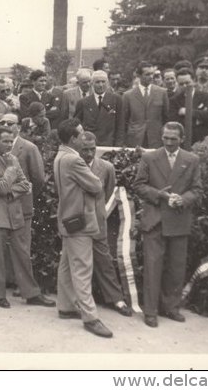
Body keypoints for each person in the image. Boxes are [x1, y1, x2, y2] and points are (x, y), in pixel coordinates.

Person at [132, 122, 202, 328]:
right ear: (161, 137)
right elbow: (138, 185)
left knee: (176, 267)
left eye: (174, 139)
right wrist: (159, 195)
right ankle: (151, 311)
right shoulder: (149, 157)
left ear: (182, 139)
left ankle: (171, 307)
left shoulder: (192, 160)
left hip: (179, 219)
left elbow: (197, 189)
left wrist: (184, 199)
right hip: (155, 219)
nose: (169, 143)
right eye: (165, 138)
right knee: (153, 267)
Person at [0, 127, 55, 309]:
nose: (9, 145)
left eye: (11, 141)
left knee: (22, 254)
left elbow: (26, 184)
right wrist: (12, 170)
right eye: (5, 141)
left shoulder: (12, 159)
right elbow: (2, 187)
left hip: (15, 213)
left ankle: (31, 293)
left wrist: (11, 193)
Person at [53, 119, 113, 338]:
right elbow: (97, 186)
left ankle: (66, 306)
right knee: (82, 269)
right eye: (80, 135)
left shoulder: (61, 155)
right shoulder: (74, 160)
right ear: (72, 139)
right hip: (80, 221)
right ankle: (90, 317)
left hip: (67, 219)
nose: (83, 136)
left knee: (67, 266)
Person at [77, 132, 133, 317]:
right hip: (75, 220)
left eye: (92, 149)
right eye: (84, 149)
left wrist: (97, 212)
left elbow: (108, 194)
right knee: (76, 259)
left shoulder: (107, 167)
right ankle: (75, 299)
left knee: (104, 259)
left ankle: (115, 298)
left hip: (97, 221)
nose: (88, 153)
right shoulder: (72, 164)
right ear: (78, 148)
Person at [0, 113, 45, 292]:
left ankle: (21, 284)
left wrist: (26, 195)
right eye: (2, 123)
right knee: (4, 244)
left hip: (21, 204)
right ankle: (8, 279)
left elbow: (38, 178)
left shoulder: (29, 148)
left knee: (22, 245)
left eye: (10, 123)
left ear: (18, 126)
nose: (6, 125)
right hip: (1, 204)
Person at [122, 61, 170, 148]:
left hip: (156, 138)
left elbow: (166, 117)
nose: (151, 77)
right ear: (139, 75)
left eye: (152, 74)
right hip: (135, 139)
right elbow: (124, 121)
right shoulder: (128, 95)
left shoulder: (162, 92)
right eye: (147, 74)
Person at [74, 70, 125, 147]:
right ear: (92, 84)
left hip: (109, 144)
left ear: (107, 83)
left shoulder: (116, 100)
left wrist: (118, 145)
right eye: (97, 82)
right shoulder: (83, 102)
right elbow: (77, 125)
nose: (101, 85)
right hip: (90, 145)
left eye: (103, 82)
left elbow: (120, 125)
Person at [169, 68, 208, 146]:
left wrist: (188, 112)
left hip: (203, 138)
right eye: (181, 84)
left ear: (194, 80)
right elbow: (174, 121)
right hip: (184, 140)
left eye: (187, 83)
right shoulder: (174, 100)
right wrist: (199, 118)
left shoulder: (205, 96)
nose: (185, 86)